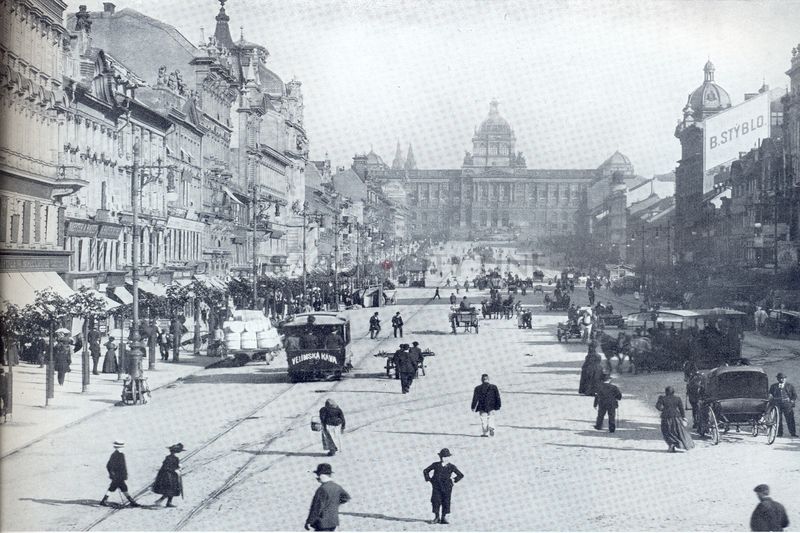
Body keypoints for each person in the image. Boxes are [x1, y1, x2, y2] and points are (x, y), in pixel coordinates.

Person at [423, 448, 464, 525]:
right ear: (440, 457)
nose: (444, 458)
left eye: (446, 457)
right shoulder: (435, 465)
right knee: (436, 501)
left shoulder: (452, 466)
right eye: (443, 457)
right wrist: (429, 479)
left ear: (449, 457)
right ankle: (436, 517)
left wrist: (454, 480)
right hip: (437, 486)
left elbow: (461, 475)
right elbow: (425, 470)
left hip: (447, 487)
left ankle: (443, 517)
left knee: (446, 501)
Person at [305, 463, 350, 532]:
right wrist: (335, 503)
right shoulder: (337, 486)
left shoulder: (322, 489)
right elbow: (346, 498)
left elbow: (317, 508)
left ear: (321, 476)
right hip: (333, 521)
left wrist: (309, 521)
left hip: (322, 523)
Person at [99, 441, 140, 507]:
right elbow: (109, 465)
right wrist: (113, 474)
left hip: (119, 476)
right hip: (118, 476)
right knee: (122, 488)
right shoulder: (117, 455)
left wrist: (113, 474)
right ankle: (131, 501)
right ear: (116, 447)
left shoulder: (118, 454)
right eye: (119, 447)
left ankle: (104, 501)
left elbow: (110, 465)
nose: (121, 448)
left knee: (117, 488)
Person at [655, 386, 695, 452]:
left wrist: (664, 409)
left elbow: (658, 407)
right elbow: (681, 409)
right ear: (673, 392)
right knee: (678, 432)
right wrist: (683, 417)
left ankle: (671, 446)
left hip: (666, 418)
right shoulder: (677, 398)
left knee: (667, 432)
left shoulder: (662, 398)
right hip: (677, 417)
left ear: (666, 392)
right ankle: (682, 444)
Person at [153, 442, 184, 507]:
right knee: (172, 489)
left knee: (169, 489)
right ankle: (166, 502)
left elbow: (164, 466)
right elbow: (174, 467)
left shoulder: (167, 457)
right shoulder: (175, 458)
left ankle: (161, 501)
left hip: (164, 475)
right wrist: (179, 467)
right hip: (171, 475)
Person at [768, 373, 797, 437]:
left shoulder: (790, 386)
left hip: (787, 404)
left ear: (785, 379)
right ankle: (779, 433)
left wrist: (792, 400)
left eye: (783, 378)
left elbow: (794, 395)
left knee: (790, 419)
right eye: (780, 378)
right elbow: (770, 394)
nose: (782, 379)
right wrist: (771, 399)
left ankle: (793, 433)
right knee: (778, 419)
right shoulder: (773, 386)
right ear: (777, 379)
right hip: (777, 404)